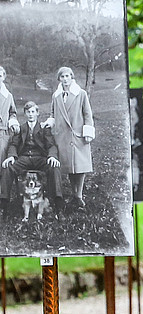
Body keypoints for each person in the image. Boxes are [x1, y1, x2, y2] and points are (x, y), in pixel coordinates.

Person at [1, 100, 61, 215]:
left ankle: (58, 203)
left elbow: (51, 145)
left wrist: (52, 156)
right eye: (28, 112)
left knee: (54, 167)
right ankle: (3, 205)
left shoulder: (44, 128)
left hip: (40, 158)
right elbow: (14, 144)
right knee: (8, 167)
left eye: (33, 111)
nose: (31, 114)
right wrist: (12, 156)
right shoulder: (21, 128)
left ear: (37, 113)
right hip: (24, 158)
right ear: (25, 114)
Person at [50, 66, 95, 209]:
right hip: (62, 136)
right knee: (70, 166)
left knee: (80, 166)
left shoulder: (81, 94)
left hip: (78, 135)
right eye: (62, 77)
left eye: (67, 76)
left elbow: (88, 114)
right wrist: (50, 124)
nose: (65, 79)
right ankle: (74, 193)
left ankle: (79, 195)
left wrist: (88, 132)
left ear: (72, 77)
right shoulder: (56, 96)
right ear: (59, 79)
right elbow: (53, 113)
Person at [0, 65, 19, 165]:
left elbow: (13, 112)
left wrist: (12, 122)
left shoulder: (8, 96)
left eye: (0, 76)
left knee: (2, 158)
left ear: (3, 77)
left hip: (2, 132)